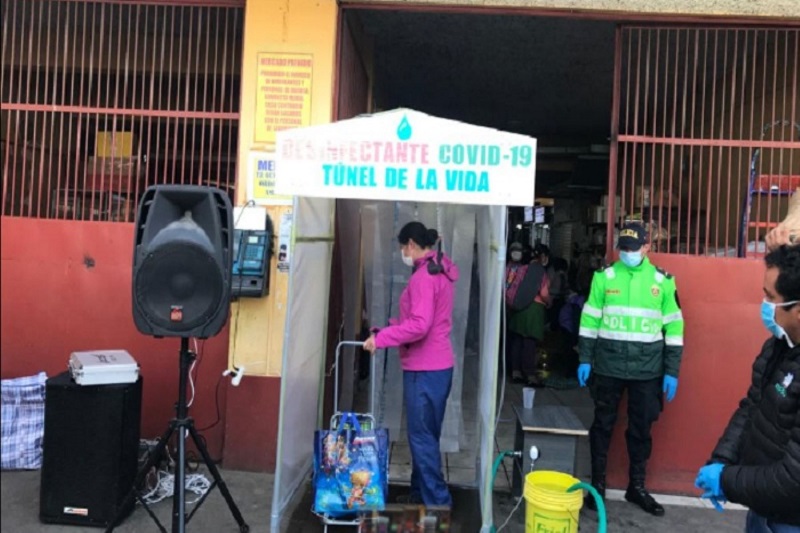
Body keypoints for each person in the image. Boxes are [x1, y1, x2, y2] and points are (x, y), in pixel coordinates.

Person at [577, 221, 684, 516]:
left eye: (633, 248)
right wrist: (585, 358)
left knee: (641, 429)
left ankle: (636, 487)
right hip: (608, 366)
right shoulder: (604, 277)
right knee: (602, 426)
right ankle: (597, 485)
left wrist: (671, 371)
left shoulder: (663, 281)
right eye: (623, 248)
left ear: (647, 248)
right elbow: (589, 321)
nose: (627, 253)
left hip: (647, 371)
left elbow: (674, 327)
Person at [694, 244, 800, 532]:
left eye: (770, 297)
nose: (764, 304)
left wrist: (727, 480)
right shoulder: (779, 346)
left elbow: (794, 479)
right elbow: (752, 406)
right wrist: (721, 460)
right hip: (762, 507)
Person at [363, 221, 459, 508]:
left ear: (412, 245)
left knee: (422, 439)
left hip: (424, 368)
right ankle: (420, 495)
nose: (402, 252)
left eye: (403, 247)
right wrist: (385, 331)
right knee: (426, 436)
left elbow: (419, 326)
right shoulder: (439, 270)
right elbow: (419, 322)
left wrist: (381, 340)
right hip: (438, 366)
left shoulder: (423, 278)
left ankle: (438, 504)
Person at [505, 242, 550, 386]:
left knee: (517, 340)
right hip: (533, 309)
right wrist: (549, 301)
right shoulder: (540, 271)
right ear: (542, 256)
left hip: (518, 308)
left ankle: (515, 372)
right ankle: (530, 375)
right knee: (529, 343)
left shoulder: (522, 268)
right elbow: (543, 293)